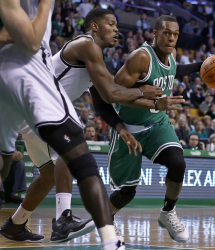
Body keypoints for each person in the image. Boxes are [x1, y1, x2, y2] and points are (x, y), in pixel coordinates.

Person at [0, 5, 159, 250]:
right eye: (111, 24)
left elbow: (103, 102)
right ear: (94, 27)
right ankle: (63, 219)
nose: (117, 30)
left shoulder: (93, 57)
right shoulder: (86, 45)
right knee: (71, 147)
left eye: (117, 26)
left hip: (29, 111)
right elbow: (111, 92)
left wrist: (121, 128)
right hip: (37, 104)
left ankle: (15, 224)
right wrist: (148, 95)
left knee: (49, 175)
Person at [97, 15, 205, 243]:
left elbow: (173, 70)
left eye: (175, 34)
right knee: (127, 193)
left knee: (178, 163)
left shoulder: (171, 53)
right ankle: (107, 220)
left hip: (157, 125)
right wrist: (155, 103)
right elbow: (113, 95)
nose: (171, 38)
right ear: (154, 34)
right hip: (130, 128)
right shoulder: (141, 58)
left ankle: (168, 213)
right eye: (166, 33)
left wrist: (199, 66)